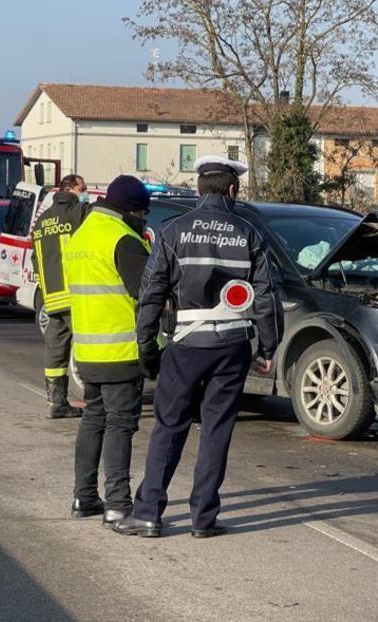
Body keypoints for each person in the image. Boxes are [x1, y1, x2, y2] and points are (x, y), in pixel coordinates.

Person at [113, 156, 283, 539]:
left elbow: (151, 291)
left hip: (186, 344)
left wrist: (146, 346)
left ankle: (148, 514)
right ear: (233, 190)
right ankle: (204, 518)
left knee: (169, 427)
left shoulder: (174, 231)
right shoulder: (248, 234)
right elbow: (266, 295)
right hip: (233, 344)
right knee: (217, 430)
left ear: (198, 190)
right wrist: (269, 347)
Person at [63, 175, 152, 524]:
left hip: (87, 349)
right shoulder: (123, 239)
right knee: (119, 425)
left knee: (92, 420)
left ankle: (84, 497)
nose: (143, 219)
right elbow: (148, 295)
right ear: (131, 210)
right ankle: (117, 503)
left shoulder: (82, 234)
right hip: (120, 350)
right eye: (142, 212)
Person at [32, 174, 91, 419]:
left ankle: (56, 402)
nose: (86, 192)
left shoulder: (42, 220)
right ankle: (98, 399)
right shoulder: (79, 212)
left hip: (52, 296)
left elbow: (36, 259)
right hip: (76, 293)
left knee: (56, 350)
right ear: (71, 189)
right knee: (89, 347)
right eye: (83, 188)